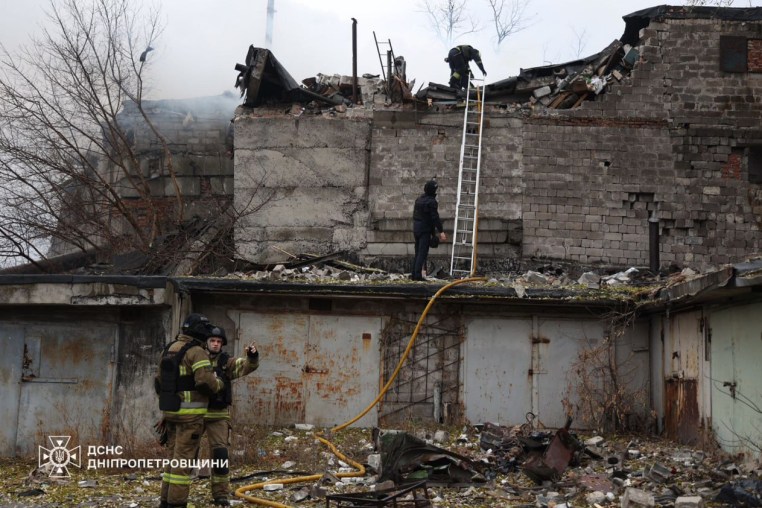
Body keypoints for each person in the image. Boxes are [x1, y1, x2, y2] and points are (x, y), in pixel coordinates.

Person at [155, 313, 225, 508]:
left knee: (172, 460)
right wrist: (219, 384)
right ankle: (176, 503)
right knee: (183, 462)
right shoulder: (196, 351)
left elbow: (158, 382)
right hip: (190, 417)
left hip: (171, 414)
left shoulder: (168, 349)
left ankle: (165, 501)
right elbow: (205, 382)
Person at [202, 326, 260, 506]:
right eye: (213, 341)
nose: (216, 344)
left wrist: (252, 356)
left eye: (219, 342)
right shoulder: (196, 358)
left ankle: (220, 494)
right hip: (194, 413)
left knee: (220, 453)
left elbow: (245, 366)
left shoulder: (226, 362)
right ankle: (178, 494)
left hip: (218, 414)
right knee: (187, 452)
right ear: (206, 342)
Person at [412, 179, 447, 281]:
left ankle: (414, 274)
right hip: (424, 230)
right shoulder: (431, 202)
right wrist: (441, 231)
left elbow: (417, 215)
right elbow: (434, 218)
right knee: (422, 253)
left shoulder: (419, 199)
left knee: (417, 252)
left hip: (416, 228)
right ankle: (417, 276)